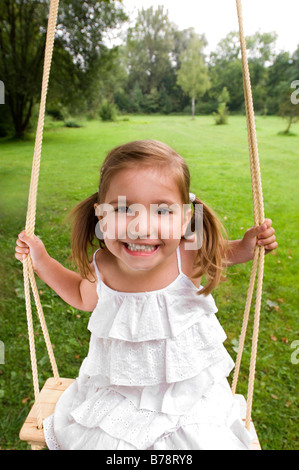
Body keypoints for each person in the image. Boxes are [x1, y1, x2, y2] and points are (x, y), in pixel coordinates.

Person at [15, 140, 277, 450]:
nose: (141, 227)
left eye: (163, 210)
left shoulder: (187, 256)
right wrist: (42, 262)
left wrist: (246, 247)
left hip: (188, 395)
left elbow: (223, 255)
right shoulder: (104, 266)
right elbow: (80, 295)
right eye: (124, 209)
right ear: (100, 216)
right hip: (120, 392)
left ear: (185, 219)